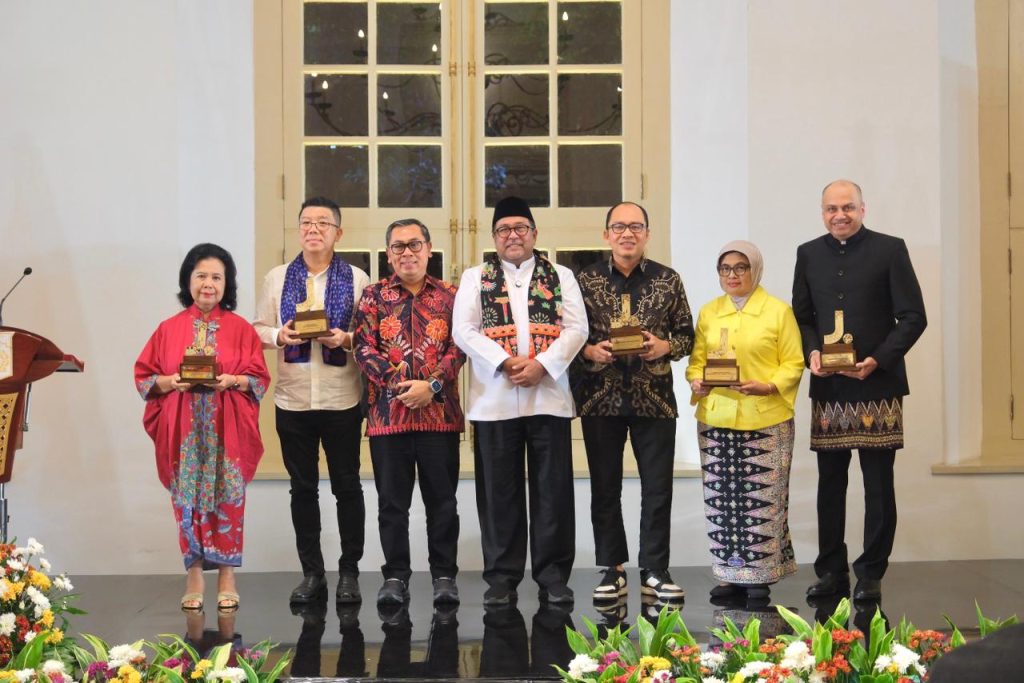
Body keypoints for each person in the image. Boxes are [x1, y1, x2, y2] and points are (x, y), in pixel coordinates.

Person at [792, 180, 927, 601]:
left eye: (847, 207)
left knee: (878, 485)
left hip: (878, 384)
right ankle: (832, 571)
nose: (840, 215)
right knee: (830, 484)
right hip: (830, 386)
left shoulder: (890, 249)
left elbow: (913, 316)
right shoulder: (808, 253)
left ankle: (871, 572)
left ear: (862, 209)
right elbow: (802, 317)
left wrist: (878, 359)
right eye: (832, 208)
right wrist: (812, 351)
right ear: (822, 213)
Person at [452, 196, 588, 606]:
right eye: (504, 230)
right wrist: (506, 361)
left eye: (520, 228)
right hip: (493, 400)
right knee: (498, 493)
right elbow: (464, 330)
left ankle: (553, 577)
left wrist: (543, 365)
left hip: (548, 398)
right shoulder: (476, 277)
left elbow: (577, 328)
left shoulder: (560, 275)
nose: (513, 236)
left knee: (553, 492)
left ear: (534, 233)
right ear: (494, 237)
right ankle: (501, 578)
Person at [135, 243, 270, 614]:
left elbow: (259, 378)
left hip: (228, 430)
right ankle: (193, 574)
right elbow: (145, 377)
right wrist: (171, 381)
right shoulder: (168, 329)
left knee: (229, 499)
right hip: (184, 430)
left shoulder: (242, 330)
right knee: (187, 500)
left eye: (216, 277)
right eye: (201, 276)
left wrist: (232, 380)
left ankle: (227, 575)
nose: (209, 284)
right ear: (188, 281)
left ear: (227, 284)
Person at [572, 201, 694, 603]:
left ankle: (655, 569)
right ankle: (612, 568)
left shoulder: (668, 280)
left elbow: (687, 337)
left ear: (647, 233)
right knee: (605, 488)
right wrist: (589, 351)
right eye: (620, 227)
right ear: (606, 234)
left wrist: (665, 346)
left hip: (654, 400)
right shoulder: (585, 280)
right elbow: (568, 334)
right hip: (600, 399)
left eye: (636, 226)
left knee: (657, 488)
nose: (628, 234)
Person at [253, 196, 370, 605]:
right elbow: (257, 329)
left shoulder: (357, 278)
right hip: (293, 400)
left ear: (339, 232)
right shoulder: (277, 278)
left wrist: (346, 339)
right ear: (298, 229)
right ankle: (312, 574)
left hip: (342, 399)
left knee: (347, 487)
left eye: (323, 223)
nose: (313, 229)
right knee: (302, 490)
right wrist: (279, 336)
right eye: (306, 222)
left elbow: (370, 335)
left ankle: (349, 572)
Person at [352, 218, 466, 606]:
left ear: (429, 250)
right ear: (389, 255)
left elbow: (460, 347)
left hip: (440, 417)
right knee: (392, 505)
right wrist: (402, 386)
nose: (407, 253)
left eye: (414, 244)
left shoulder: (451, 296)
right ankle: (395, 577)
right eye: (398, 246)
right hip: (388, 418)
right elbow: (363, 348)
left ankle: (444, 576)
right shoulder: (373, 296)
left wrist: (430, 386)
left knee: (443, 503)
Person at [686, 241, 804, 601]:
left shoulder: (778, 311)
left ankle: (760, 575)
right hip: (717, 419)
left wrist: (769, 386)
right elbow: (697, 361)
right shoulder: (710, 312)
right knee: (722, 501)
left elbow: (793, 362)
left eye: (741, 267)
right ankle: (728, 572)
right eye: (725, 269)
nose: (732, 275)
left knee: (762, 499)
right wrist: (696, 380)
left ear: (756, 270)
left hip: (765, 419)